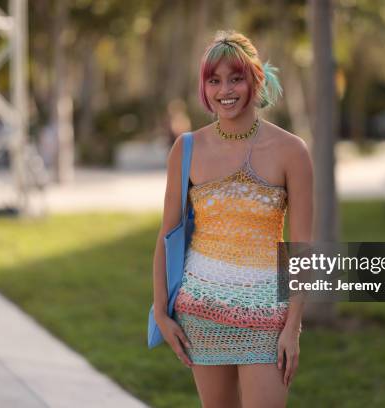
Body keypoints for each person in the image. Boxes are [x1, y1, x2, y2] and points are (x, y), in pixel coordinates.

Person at [152, 31, 313, 407]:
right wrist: (161, 312)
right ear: (204, 87)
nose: (225, 90)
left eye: (236, 78)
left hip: (269, 318)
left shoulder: (292, 151)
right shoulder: (186, 148)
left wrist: (293, 327)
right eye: (214, 80)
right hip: (201, 313)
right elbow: (166, 235)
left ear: (256, 79)